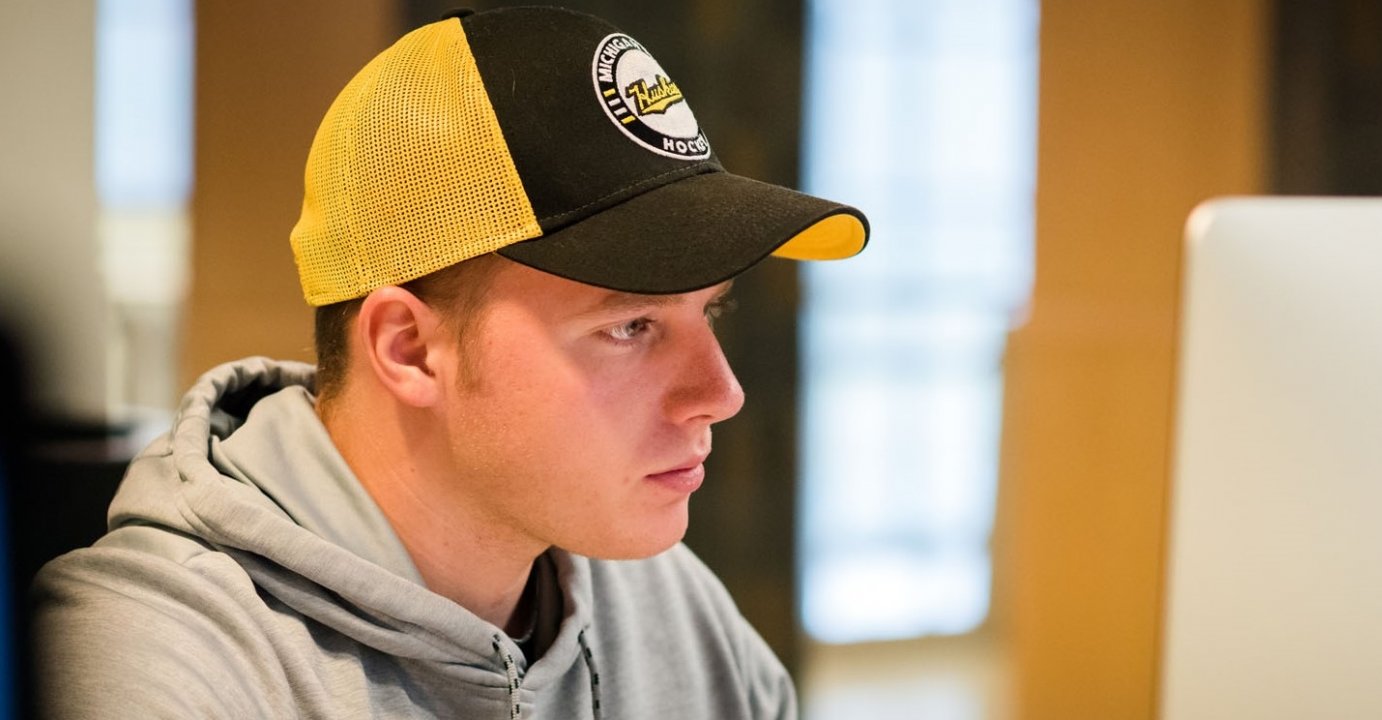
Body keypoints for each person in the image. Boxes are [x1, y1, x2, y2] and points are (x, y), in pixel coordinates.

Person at [31, 6, 867, 719]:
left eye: (708, 310)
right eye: (633, 326)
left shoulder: (664, 604)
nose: (721, 394)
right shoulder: (147, 657)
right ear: (409, 348)